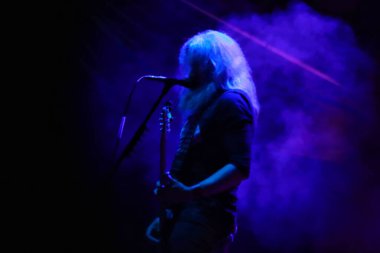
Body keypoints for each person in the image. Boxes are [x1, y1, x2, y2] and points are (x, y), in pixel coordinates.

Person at [146, 29, 259, 253]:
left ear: (214, 66)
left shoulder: (231, 102)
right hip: (187, 215)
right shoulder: (205, 104)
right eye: (188, 65)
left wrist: (190, 193)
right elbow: (191, 168)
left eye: (195, 65)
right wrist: (170, 211)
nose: (188, 73)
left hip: (206, 218)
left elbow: (239, 167)